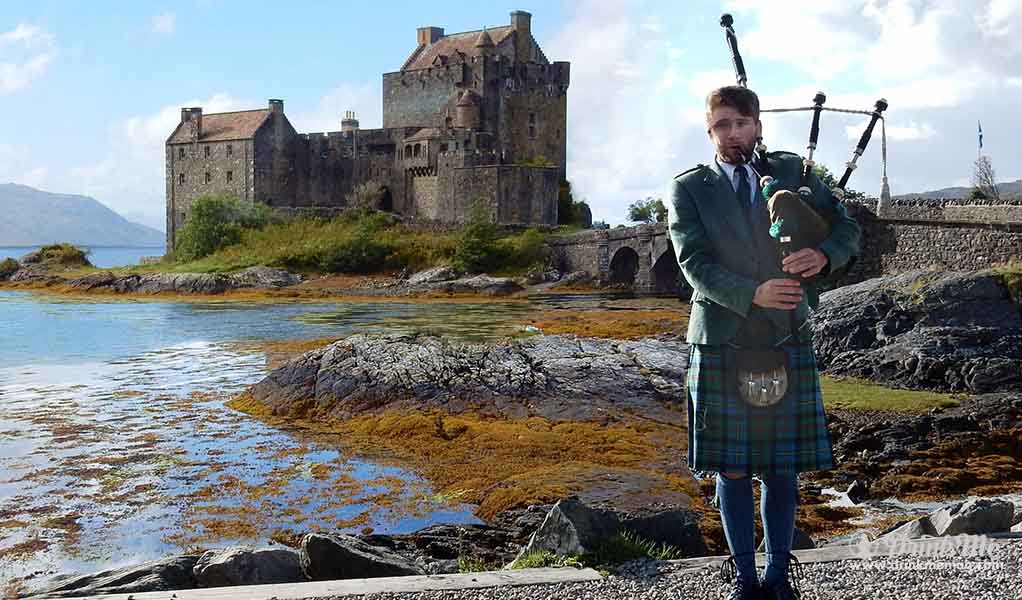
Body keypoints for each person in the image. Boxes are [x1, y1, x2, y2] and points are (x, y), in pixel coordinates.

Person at [666, 86, 861, 600]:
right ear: (709, 131)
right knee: (731, 467)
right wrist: (753, 293)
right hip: (722, 338)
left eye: (740, 123)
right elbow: (694, 264)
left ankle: (778, 576)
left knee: (780, 466)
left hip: (786, 333)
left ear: (757, 123)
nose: (731, 134)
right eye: (721, 126)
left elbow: (848, 229)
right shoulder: (690, 189)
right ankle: (743, 578)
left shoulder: (793, 174)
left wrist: (823, 256)